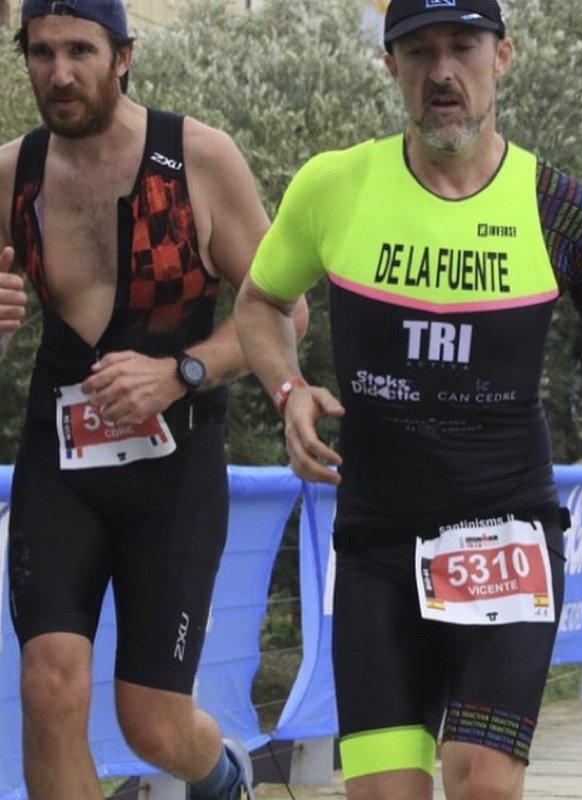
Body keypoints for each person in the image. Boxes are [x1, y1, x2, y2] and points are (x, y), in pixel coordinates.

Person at [234, 0, 582, 798]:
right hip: (377, 539)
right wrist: (288, 389)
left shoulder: (560, 209)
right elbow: (260, 302)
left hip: (504, 530)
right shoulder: (335, 185)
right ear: (390, 67)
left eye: (463, 47)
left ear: (501, 58)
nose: (442, 72)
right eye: (418, 52)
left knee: (481, 778)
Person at [0, 1, 306, 798]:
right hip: (60, 462)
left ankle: (221, 779)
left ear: (124, 56)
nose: (59, 74)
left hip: (174, 470)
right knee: (48, 684)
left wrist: (181, 372)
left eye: (80, 51)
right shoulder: (11, 174)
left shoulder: (198, 157)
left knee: (152, 723)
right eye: (40, 52)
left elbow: (285, 312)